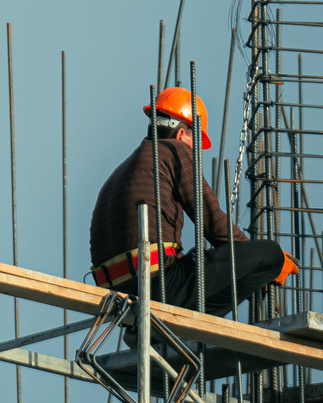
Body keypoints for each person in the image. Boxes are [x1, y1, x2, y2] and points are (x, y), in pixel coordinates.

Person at [88, 88, 291, 318]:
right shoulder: (174, 151)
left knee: (196, 264)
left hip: (116, 294)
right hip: (159, 284)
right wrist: (261, 260)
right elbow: (213, 223)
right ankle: (174, 329)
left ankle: (158, 331)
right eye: (194, 141)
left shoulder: (122, 172)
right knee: (270, 255)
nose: (195, 150)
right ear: (181, 133)